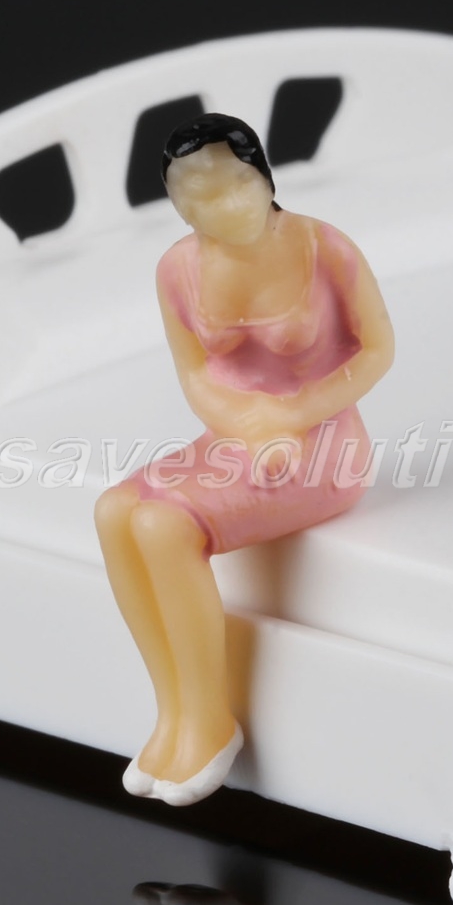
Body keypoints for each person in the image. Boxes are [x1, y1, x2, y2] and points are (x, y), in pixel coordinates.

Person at [94, 113, 394, 805]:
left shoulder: (326, 248)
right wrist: (246, 427)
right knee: (115, 511)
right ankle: (172, 712)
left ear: (262, 177)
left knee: (164, 525)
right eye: (191, 194)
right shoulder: (177, 269)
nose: (215, 206)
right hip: (234, 436)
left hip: (322, 443)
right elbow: (196, 375)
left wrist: (291, 417)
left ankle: (209, 718)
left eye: (230, 184)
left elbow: (378, 349)